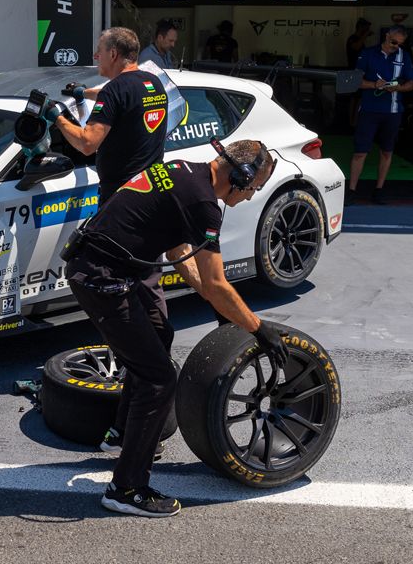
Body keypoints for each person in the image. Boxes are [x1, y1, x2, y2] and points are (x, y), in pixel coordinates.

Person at [64, 140, 288, 517]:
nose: (251, 197)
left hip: (108, 268)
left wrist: (218, 304)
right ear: (240, 176)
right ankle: (126, 488)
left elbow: (176, 255)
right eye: (253, 188)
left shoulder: (185, 172)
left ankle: (124, 433)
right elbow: (217, 282)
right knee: (159, 380)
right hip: (101, 281)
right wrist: (256, 327)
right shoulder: (203, 203)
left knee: (159, 337)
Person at [50, 26, 168, 200]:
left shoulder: (114, 90)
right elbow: (122, 98)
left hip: (122, 197)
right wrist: (83, 93)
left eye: (99, 51)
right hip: (153, 189)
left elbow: (87, 144)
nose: (95, 56)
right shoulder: (153, 81)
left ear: (113, 54)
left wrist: (55, 116)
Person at [347, 26, 413, 205]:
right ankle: (352, 190)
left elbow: (410, 84)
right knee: (360, 152)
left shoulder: (403, 56)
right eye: (394, 42)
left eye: (400, 44)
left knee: (386, 151)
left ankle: (379, 189)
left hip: (392, 112)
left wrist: (397, 88)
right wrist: (374, 85)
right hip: (369, 110)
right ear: (386, 36)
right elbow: (355, 81)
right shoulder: (368, 54)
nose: (396, 46)